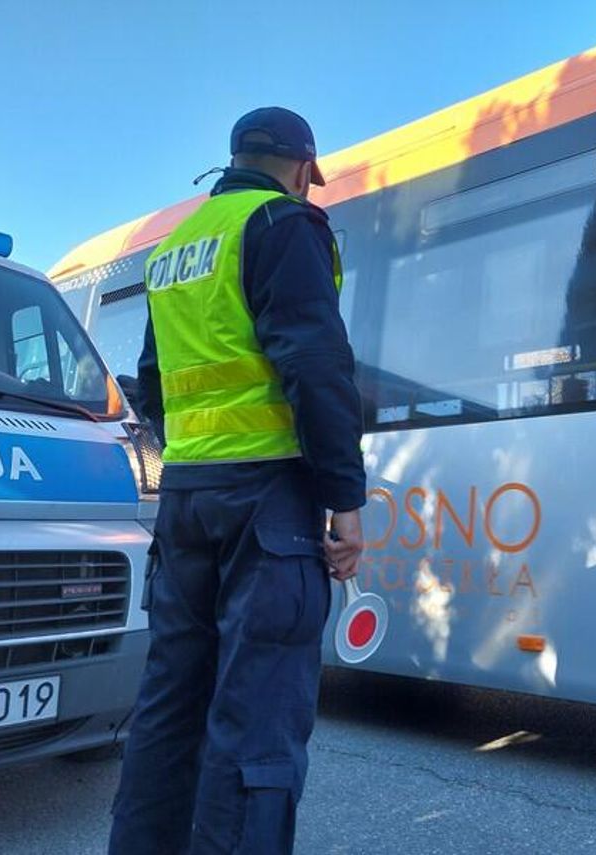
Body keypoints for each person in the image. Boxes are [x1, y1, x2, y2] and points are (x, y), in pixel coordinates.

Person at [108, 106, 366, 855]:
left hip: (187, 501)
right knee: (256, 723)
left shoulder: (179, 247)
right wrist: (344, 501)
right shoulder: (284, 224)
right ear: (298, 167)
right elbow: (317, 367)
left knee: (169, 711)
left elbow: (153, 383)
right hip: (269, 505)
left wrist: (196, 446)